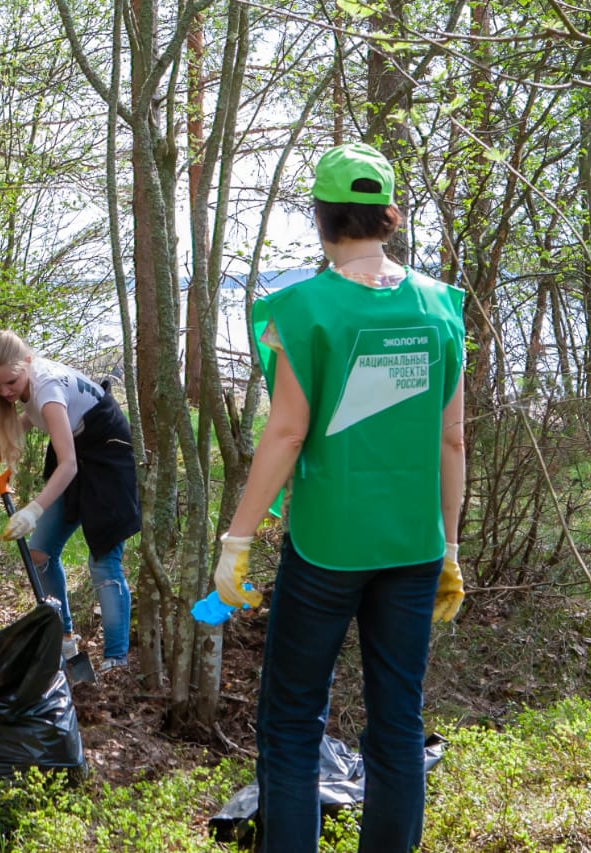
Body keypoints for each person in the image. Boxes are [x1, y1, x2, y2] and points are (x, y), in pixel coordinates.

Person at [214, 141, 466, 852]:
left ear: (321, 218)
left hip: (326, 547)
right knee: (398, 722)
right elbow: (452, 440)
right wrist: (450, 545)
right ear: (387, 216)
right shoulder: (441, 307)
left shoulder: (304, 308)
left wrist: (236, 540)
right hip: (414, 546)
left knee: (292, 722)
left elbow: (287, 433)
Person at [0, 330, 140, 672]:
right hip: (77, 450)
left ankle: (115, 659)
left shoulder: (47, 386)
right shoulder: (28, 386)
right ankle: (64, 640)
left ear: (28, 364)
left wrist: (33, 510)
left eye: (10, 382)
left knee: (103, 561)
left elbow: (69, 465)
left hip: (108, 460)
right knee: (39, 555)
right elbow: (38, 416)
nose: (5, 392)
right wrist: (4, 440)